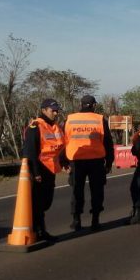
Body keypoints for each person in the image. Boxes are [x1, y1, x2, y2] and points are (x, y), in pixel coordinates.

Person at [64, 95, 114, 231]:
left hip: (76, 161)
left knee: (76, 191)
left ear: (80, 104)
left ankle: (76, 220)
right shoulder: (99, 119)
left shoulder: (70, 119)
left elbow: (64, 141)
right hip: (96, 161)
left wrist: (64, 163)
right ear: (94, 106)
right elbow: (108, 142)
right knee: (97, 191)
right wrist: (109, 162)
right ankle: (95, 220)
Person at [22, 98, 65, 242]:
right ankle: (39, 231)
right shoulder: (36, 126)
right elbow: (31, 151)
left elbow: (61, 147)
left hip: (51, 169)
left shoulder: (56, 127)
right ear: (44, 110)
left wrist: (65, 163)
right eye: (53, 110)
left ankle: (39, 229)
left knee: (46, 202)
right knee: (38, 203)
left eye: (57, 110)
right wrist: (36, 172)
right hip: (40, 169)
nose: (56, 112)